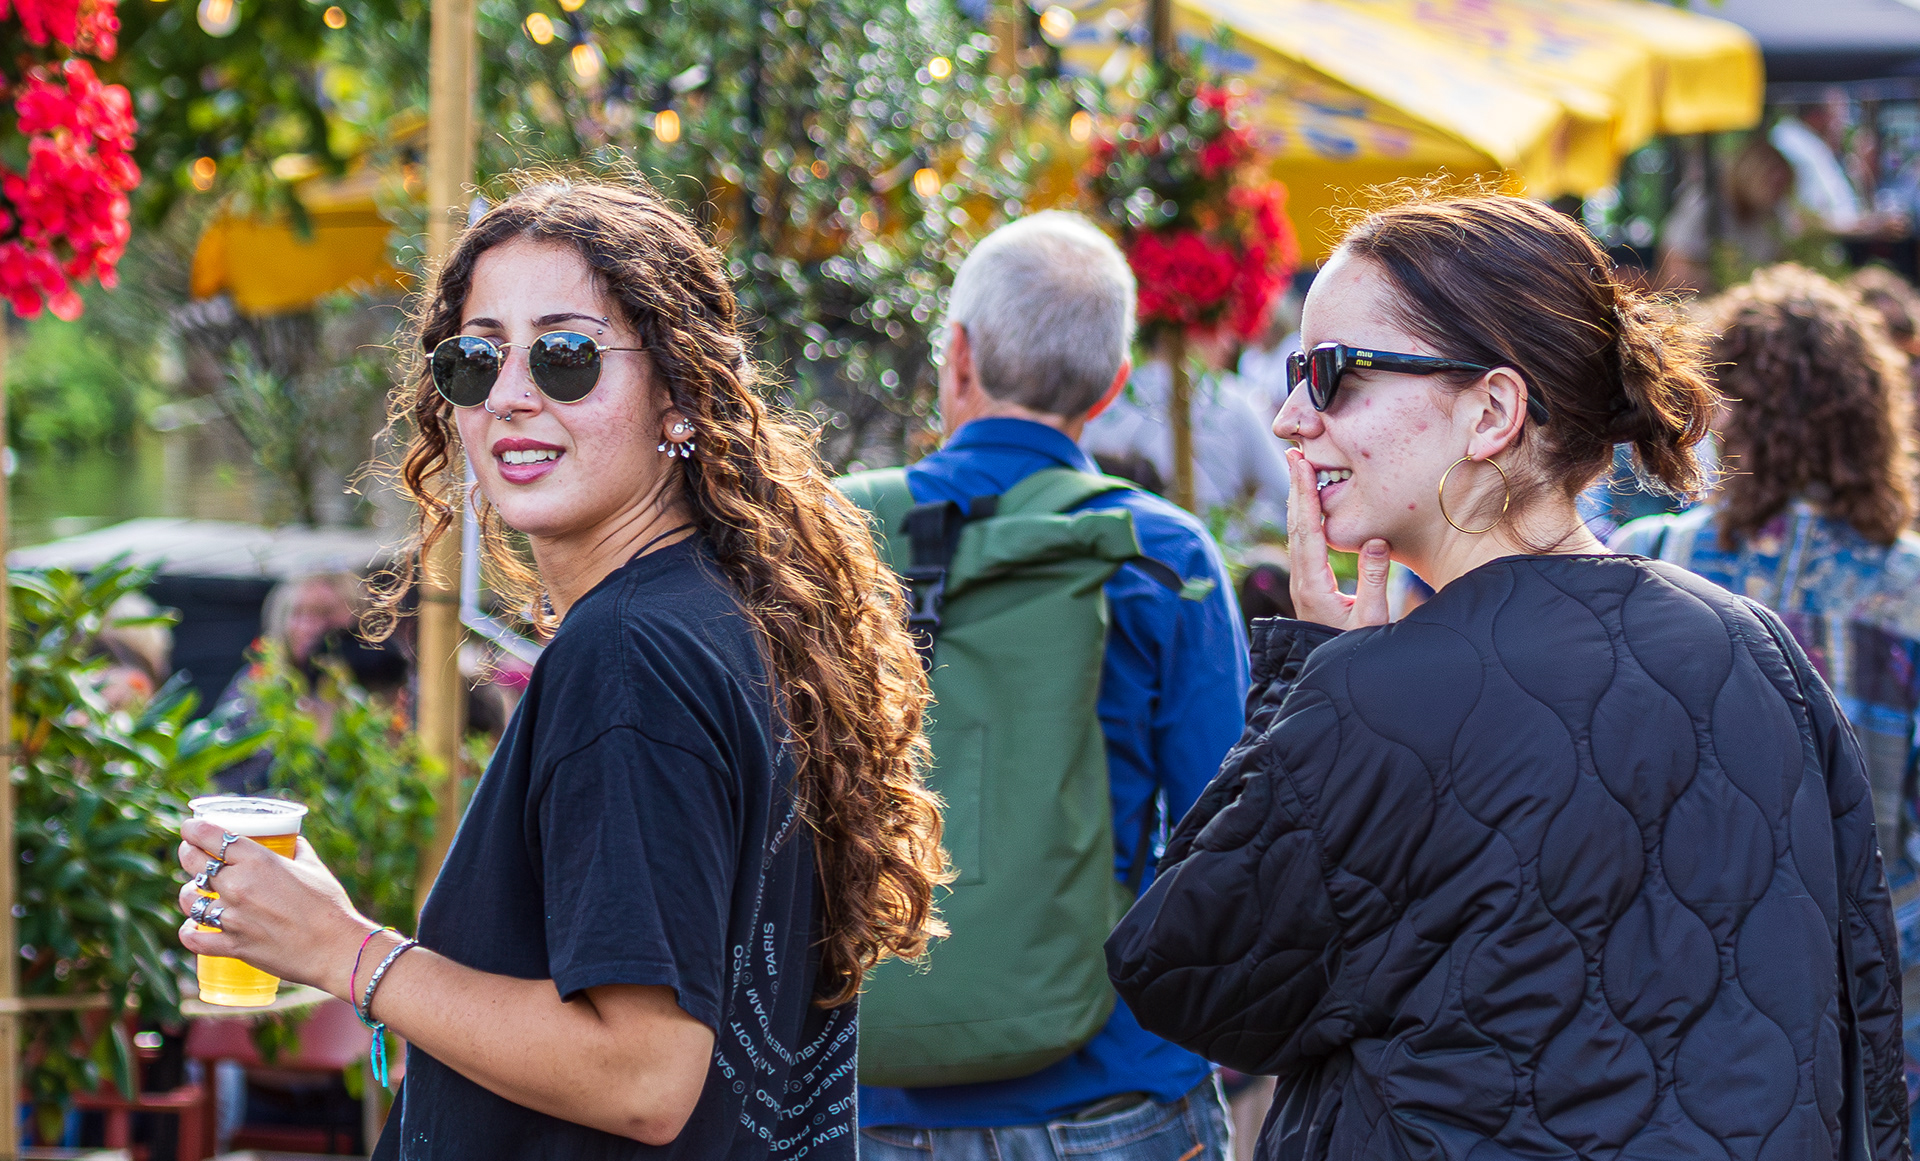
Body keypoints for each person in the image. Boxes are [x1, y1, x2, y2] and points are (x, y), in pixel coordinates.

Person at [1107, 193, 1909, 1158]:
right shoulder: (1763, 651)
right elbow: (1859, 1013)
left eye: (1332, 375)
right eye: (1294, 374)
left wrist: (1306, 678)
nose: (1289, 419)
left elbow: (1187, 975)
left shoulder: (1378, 695)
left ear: (1490, 411)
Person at [174, 176, 949, 1160]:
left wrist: (345, 951)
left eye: (566, 355)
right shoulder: (721, 616)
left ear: (680, 394)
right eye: (474, 358)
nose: (510, 396)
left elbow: (643, 1075)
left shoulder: (629, 656)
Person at [858, 211, 1248, 1161]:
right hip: (1114, 1088)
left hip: (870, 1097)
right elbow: (1226, 826)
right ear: (1113, 384)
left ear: (958, 357)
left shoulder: (833, 537)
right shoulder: (1162, 556)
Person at [1613, 262, 1920, 867]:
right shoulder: (1909, 582)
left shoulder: (1647, 556)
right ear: (1871, 415)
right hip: (1878, 936)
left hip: (1697, 926)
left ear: (1731, 411)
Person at [1081, 336, 1291, 539]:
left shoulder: (1107, 401)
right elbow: (1289, 491)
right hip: (1216, 559)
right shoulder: (1232, 399)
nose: (1228, 345)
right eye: (1216, 329)